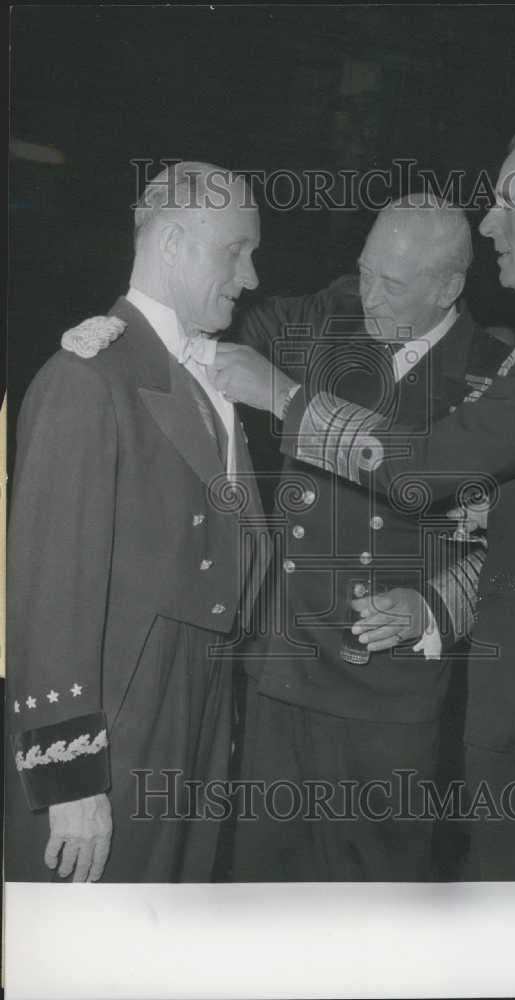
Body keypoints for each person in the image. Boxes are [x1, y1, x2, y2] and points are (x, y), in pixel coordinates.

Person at [218, 124, 515, 880]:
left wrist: (281, 397)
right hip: (318, 674)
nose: (489, 222)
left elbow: (432, 469)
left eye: (508, 200)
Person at [210, 194, 510, 880]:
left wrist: (434, 604)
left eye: (392, 284)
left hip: (389, 692)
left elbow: (512, 541)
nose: (368, 295)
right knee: (261, 892)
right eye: (364, 271)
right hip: (283, 667)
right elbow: (217, 321)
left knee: (375, 900)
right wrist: (125, 327)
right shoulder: (331, 315)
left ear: (448, 287)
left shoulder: (494, 378)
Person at [5, 161, 270, 882]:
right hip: (121, 712)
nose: (249, 277)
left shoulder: (202, 374)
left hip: (196, 699)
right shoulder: (88, 378)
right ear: (175, 242)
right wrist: (71, 780)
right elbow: (49, 593)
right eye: (235, 251)